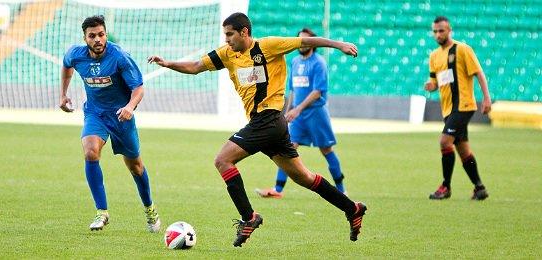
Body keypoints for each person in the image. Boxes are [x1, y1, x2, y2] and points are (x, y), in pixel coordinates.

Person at [148, 13, 366, 247]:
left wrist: (339, 45)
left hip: (269, 118)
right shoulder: (227, 54)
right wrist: (169, 63)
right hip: (270, 124)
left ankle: (249, 217)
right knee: (304, 177)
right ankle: (352, 208)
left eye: (230, 34)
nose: (227, 39)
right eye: (225, 35)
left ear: (244, 32)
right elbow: (196, 66)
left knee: (223, 160)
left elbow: (306, 42)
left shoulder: (268, 46)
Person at [60, 15, 161, 232]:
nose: (97, 39)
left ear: (106, 35)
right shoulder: (75, 55)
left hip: (121, 116)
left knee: (135, 166)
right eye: (92, 36)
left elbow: (138, 88)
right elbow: (66, 65)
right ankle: (101, 213)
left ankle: (150, 209)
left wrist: (129, 107)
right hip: (96, 114)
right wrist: (63, 94)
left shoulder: (120, 57)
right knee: (90, 152)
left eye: (101, 34)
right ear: (85, 38)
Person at [255, 28, 347, 199]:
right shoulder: (295, 61)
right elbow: (293, 90)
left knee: (326, 149)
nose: (302, 43)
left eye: (305, 40)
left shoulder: (319, 62)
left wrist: (298, 109)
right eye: (299, 39)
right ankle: (278, 190)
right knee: (287, 148)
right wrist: (288, 110)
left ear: (312, 43)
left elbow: (318, 91)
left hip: (316, 113)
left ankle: (342, 190)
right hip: (298, 116)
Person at [424, 16, 492, 200]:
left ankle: (445, 187)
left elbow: (479, 73)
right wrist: (432, 85)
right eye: (435, 31)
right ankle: (479, 187)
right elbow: (435, 80)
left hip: (463, 105)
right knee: (463, 150)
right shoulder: (434, 56)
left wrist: (486, 98)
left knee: (445, 142)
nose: (438, 34)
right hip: (448, 109)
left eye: (442, 30)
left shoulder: (462, 49)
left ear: (449, 30)